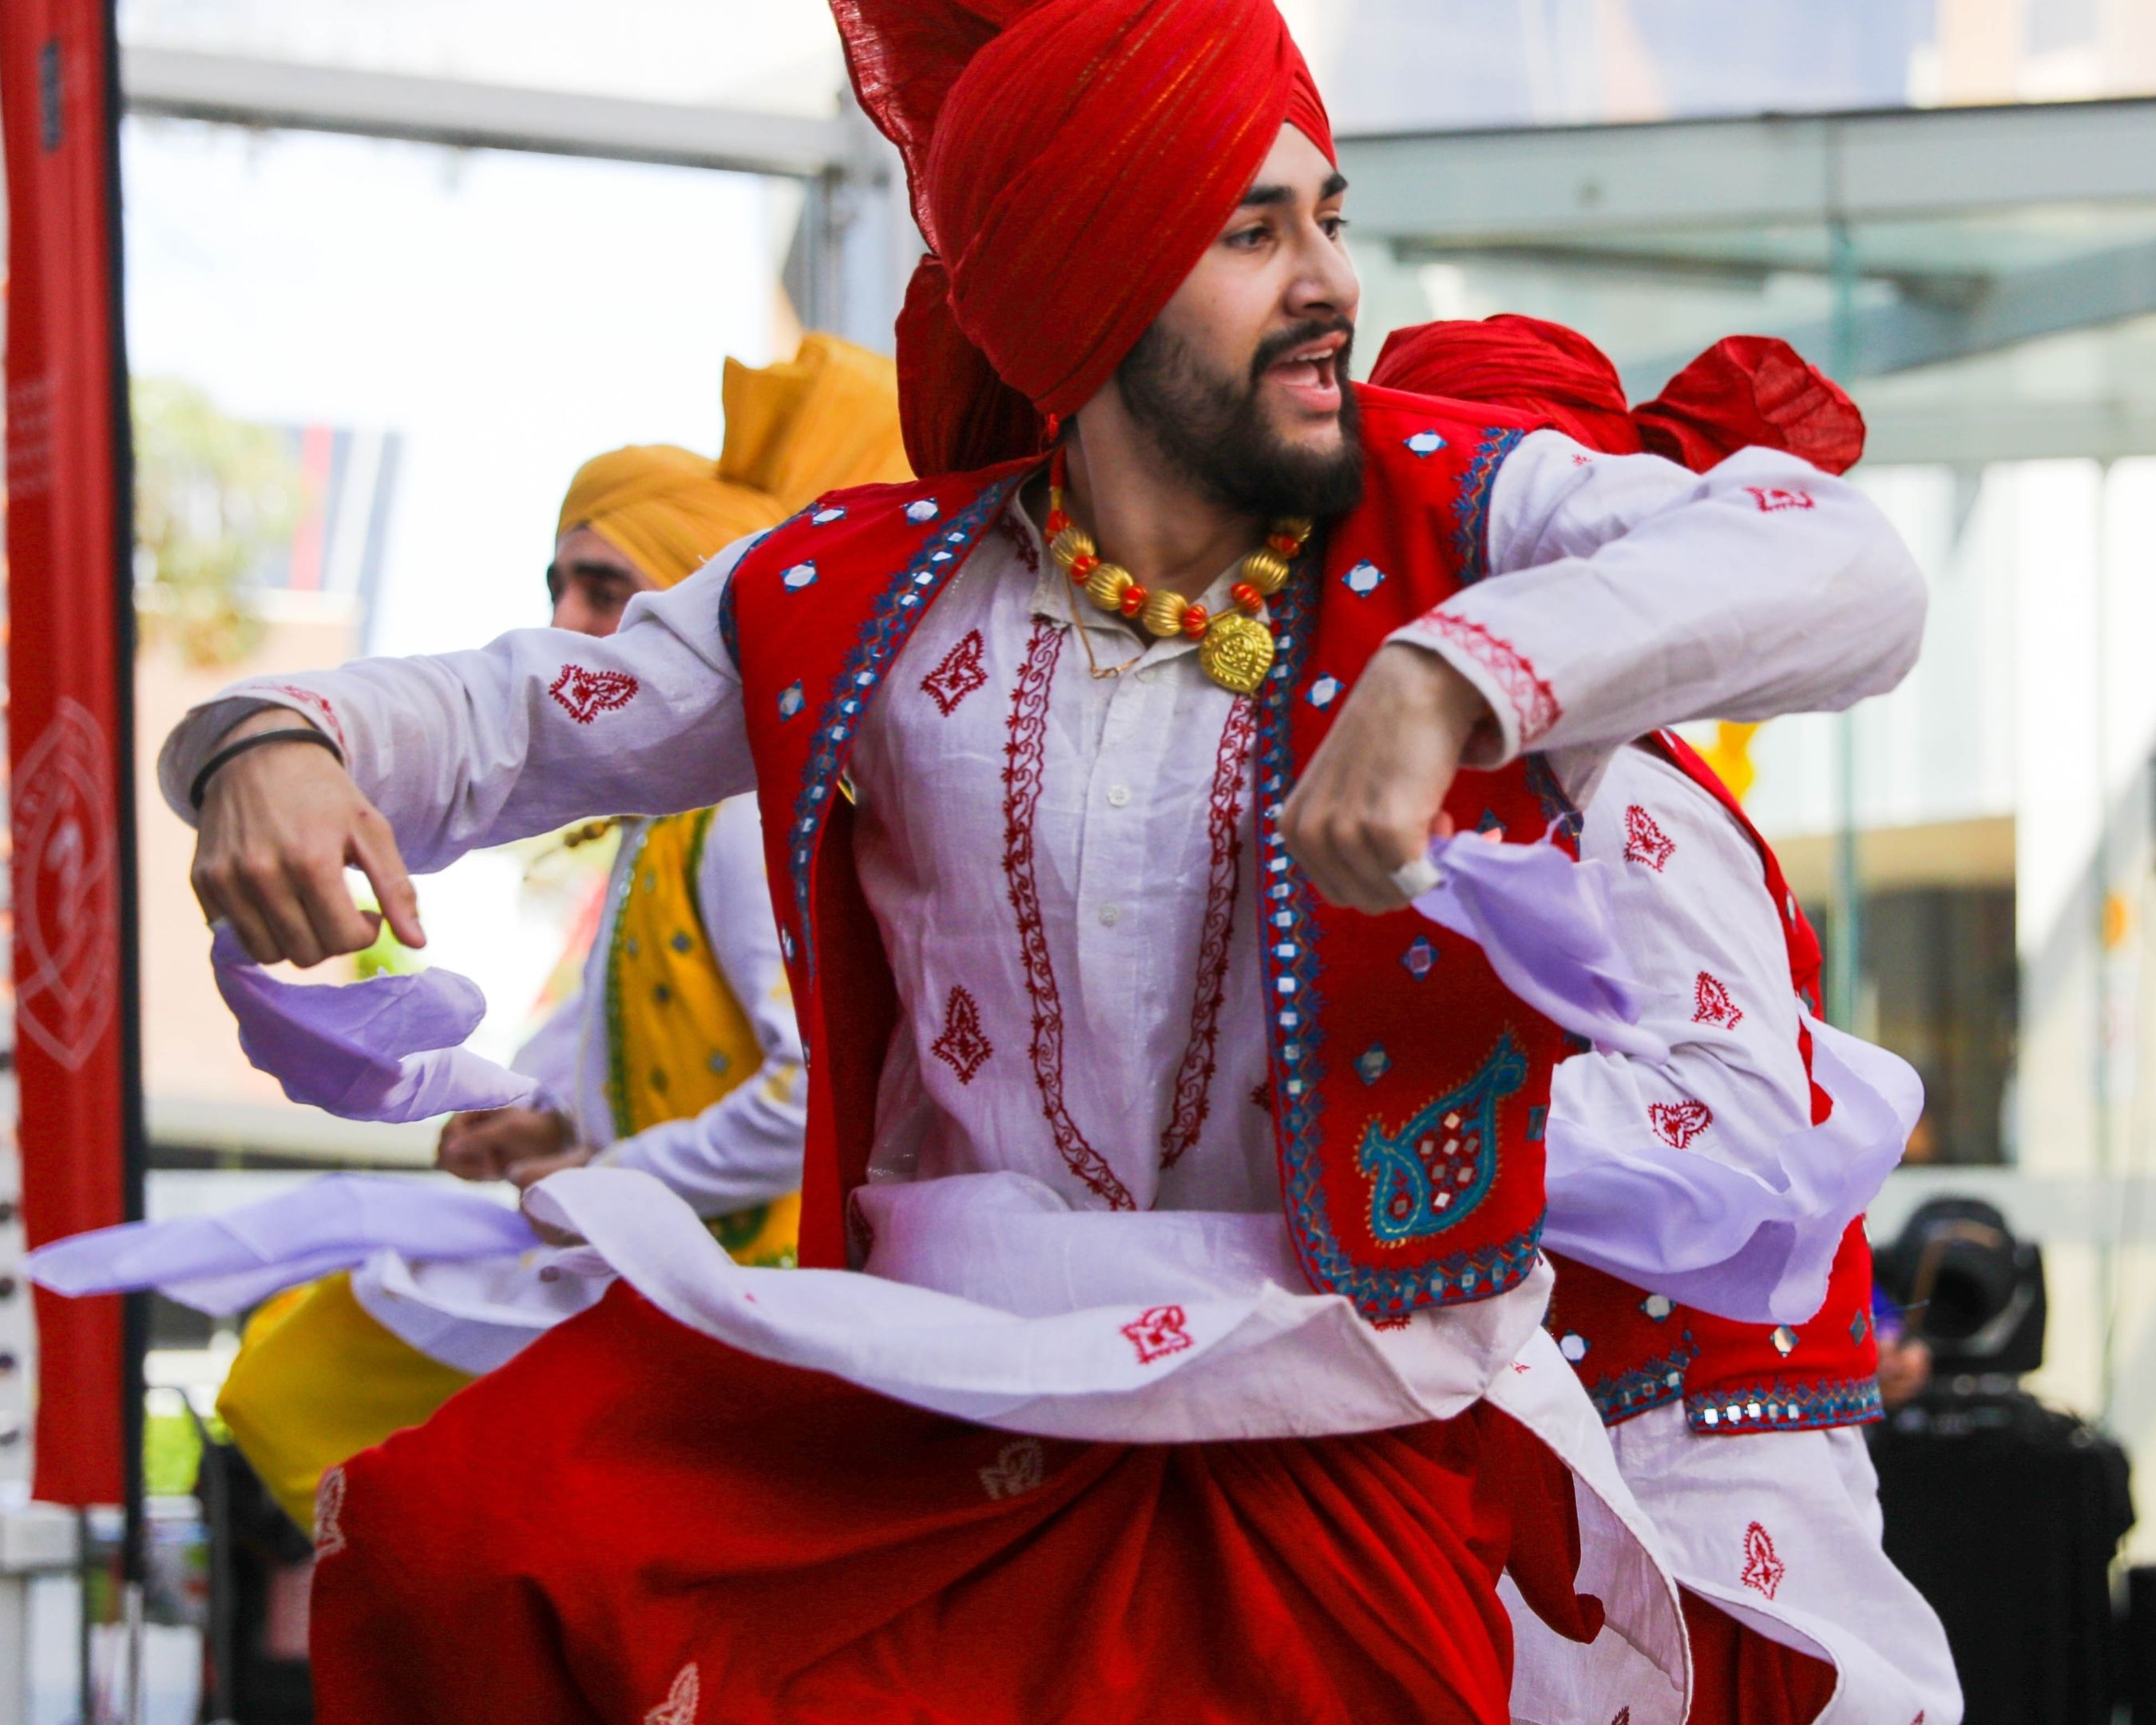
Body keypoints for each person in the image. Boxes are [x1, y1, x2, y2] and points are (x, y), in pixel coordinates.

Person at [160, 3, 1927, 1719]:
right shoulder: (862, 594)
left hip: (1326, 1446)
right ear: (1086, 286)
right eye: (1248, 231)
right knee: (468, 1541)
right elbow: (511, 718)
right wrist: (268, 741)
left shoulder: (1455, 514)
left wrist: (1452, 672)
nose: (1328, 284)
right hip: (945, 1409)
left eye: (1329, 217)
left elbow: (1842, 568)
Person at [208, 332, 906, 1533]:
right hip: (672, 1271)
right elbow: (654, 1054)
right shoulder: (666, 823)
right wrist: (548, 1120)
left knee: (307, 1389)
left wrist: (603, 1179)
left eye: (604, 587)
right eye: (559, 584)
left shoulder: (736, 812)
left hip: (745, 1291)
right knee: (303, 1374)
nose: (565, 617)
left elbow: (807, 1086)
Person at [1375, 313, 1963, 1725]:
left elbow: (1739, 1128)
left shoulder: (1617, 789)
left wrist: (1404, 1135)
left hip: (1690, 1474)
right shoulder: (1520, 784)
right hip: (1603, 1462)